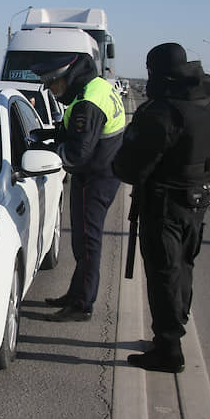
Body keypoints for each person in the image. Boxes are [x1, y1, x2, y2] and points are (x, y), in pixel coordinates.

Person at [113, 43, 210, 373]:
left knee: (164, 272)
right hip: (199, 198)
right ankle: (174, 328)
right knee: (183, 266)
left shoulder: (163, 110)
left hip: (164, 202)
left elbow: (129, 168)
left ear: (156, 72)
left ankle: (168, 349)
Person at [36, 53, 126, 322]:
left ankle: (82, 305)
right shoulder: (91, 87)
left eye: (53, 84)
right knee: (81, 240)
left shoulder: (89, 101)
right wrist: (50, 136)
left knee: (87, 243)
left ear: (67, 77)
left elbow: (77, 153)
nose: (52, 90)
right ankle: (76, 293)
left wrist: (52, 151)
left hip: (96, 177)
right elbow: (74, 132)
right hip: (99, 172)